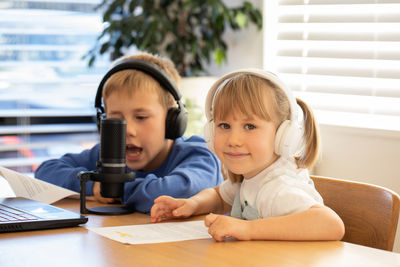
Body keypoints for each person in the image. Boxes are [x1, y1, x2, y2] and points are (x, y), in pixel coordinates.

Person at [151, 69, 345, 241]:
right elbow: (220, 196)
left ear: (283, 135)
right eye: (224, 125)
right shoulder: (253, 176)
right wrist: (190, 204)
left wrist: (248, 229)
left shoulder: (277, 189)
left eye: (250, 126)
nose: (234, 140)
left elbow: (331, 224)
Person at [34, 52, 223, 213]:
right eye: (115, 119)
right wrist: (95, 186)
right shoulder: (107, 156)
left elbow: (179, 191)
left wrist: (114, 188)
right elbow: (47, 171)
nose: (128, 131)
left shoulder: (199, 154)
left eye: (141, 117)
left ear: (172, 120)